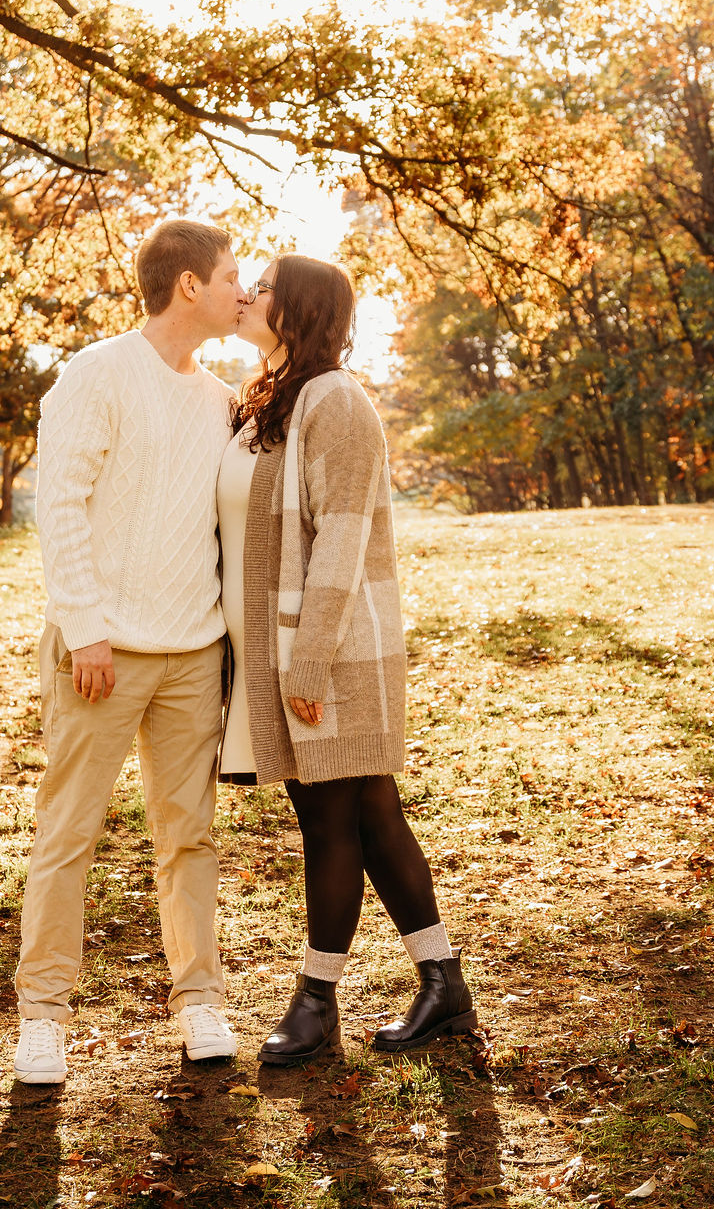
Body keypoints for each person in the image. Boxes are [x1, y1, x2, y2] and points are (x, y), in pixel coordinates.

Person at [217, 253, 477, 1065]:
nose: (248, 294)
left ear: (297, 308)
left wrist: (310, 660)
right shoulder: (271, 400)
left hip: (332, 653)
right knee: (371, 816)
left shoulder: (336, 399)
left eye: (263, 287)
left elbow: (341, 536)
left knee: (331, 820)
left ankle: (315, 1001)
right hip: (284, 648)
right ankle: (443, 984)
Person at [12, 219, 245, 1085]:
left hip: (194, 653)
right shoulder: (97, 372)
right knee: (68, 832)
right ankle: (42, 1018)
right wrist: (85, 628)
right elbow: (61, 504)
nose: (241, 292)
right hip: (101, 653)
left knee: (189, 838)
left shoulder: (222, 400)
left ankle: (200, 1002)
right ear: (189, 285)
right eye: (231, 277)